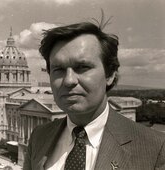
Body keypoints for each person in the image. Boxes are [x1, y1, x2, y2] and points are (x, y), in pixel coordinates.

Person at [23, 21, 165, 170]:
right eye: (58, 69)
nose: (69, 80)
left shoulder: (155, 148)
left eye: (82, 67)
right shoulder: (39, 137)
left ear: (110, 74)